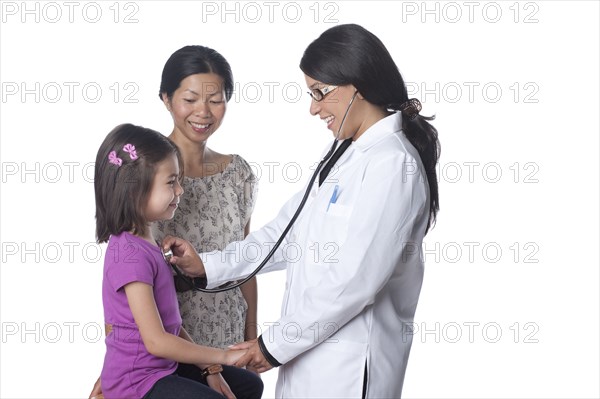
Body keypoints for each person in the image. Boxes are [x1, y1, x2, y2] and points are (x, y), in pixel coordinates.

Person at [162, 24, 441, 398]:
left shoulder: (391, 165)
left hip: (348, 369)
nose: (313, 109)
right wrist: (209, 267)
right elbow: (284, 234)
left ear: (356, 85)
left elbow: (353, 281)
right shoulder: (347, 157)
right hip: (310, 362)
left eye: (320, 93)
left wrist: (272, 345)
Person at [89, 46, 263, 398]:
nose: (203, 111)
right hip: (168, 347)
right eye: (191, 98)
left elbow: (247, 260)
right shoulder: (143, 164)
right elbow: (129, 314)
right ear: (166, 99)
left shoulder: (237, 174)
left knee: (248, 388)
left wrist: (247, 338)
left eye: (215, 99)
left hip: (214, 332)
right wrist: (108, 376)